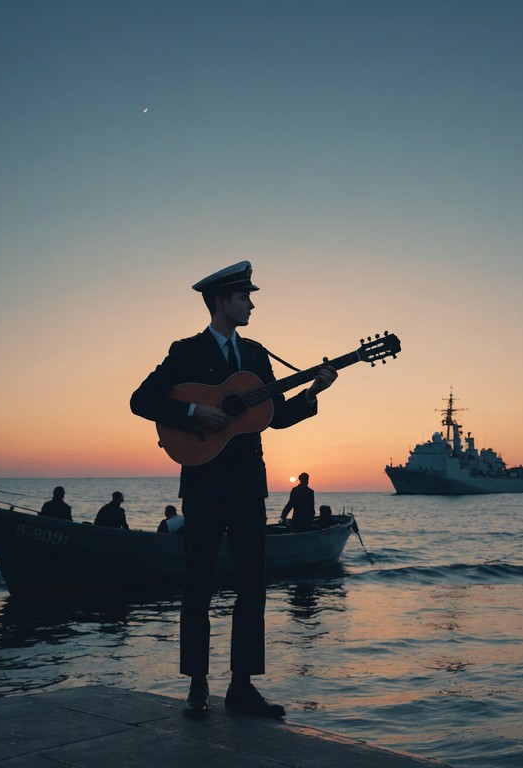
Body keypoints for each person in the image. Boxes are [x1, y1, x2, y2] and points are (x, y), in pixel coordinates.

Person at [130, 260, 337, 721]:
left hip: (247, 486)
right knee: (198, 586)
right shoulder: (184, 352)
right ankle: (198, 686)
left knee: (252, 587)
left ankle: (242, 687)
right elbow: (140, 400)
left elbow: (274, 416)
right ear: (221, 301)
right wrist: (192, 415)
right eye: (244, 297)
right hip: (202, 485)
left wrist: (311, 394)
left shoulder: (258, 354)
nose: (252, 304)